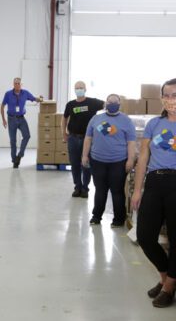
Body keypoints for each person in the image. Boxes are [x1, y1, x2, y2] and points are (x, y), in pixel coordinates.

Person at [131, 78, 176, 308]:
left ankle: (168, 288)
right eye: (167, 95)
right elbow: (144, 158)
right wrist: (138, 189)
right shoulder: (154, 125)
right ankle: (165, 277)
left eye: (175, 95)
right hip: (155, 181)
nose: (171, 100)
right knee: (145, 236)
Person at [82, 94, 136, 227]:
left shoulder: (126, 121)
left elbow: (131, 142)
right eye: (110, 101)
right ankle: (96, 216)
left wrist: (130, 159)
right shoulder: (96, 118)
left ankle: (118, 219)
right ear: (106, 103)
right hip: (98, 161)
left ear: (119, 104)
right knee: (100, 190)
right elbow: (88, 138)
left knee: (117, 191)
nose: (112, 104)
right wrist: (84, 155)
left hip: (118, 162)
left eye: (115, 102)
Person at [63, 81, 104, 198]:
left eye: (81, 88)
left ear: (85, 89)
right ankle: (77, 187)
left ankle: (85, 188)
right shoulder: (70, 104)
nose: (79, 90)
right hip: (73, 138)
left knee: (86, 163)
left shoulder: (93, 102)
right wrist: (63, 133)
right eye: (77, 88)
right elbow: (64, 118)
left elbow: (107, 105)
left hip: (88, 139)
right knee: (74, 163)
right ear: (74, 90)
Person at [1, 77, 43, 168]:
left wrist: (39, 99)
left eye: (19, 83)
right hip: (11, 119)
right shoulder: (8, 94)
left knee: (27, 136)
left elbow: (33, 98)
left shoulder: (25, 93)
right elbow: (2, 106)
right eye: (15, 83)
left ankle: (19, 155)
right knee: (13, 141)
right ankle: (14, 160)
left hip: (21, 119)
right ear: (13, 84)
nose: (17, 85)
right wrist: (3, 119)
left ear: (21, 85)